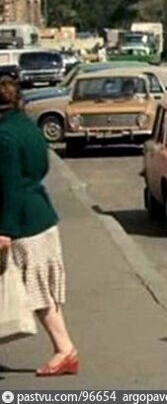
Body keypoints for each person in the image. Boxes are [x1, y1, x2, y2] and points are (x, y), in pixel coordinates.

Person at [0, 79, 79, 376]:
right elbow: (42, 167)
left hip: (21, 222)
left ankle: (65, 349)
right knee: (42, 289)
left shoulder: (4, 136)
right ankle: (65, 350)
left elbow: (9, 187)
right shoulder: (27, 126)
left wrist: (4, 229)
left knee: (37, 291)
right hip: (40, 214)